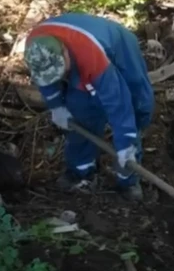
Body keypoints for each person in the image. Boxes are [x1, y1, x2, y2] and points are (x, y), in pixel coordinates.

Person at [23, 13, 154, 203]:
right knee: (81, 111)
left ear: (64, 52)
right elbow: (46, 80)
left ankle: (128, 179)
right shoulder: (36, 49)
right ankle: (80, 170)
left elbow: (118, 103)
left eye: (60, 69)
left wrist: (126, 142)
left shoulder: (92, 56)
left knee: (135, 105)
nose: (59, 76)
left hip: (120, 46)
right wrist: (57, 107)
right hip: (81, 55)